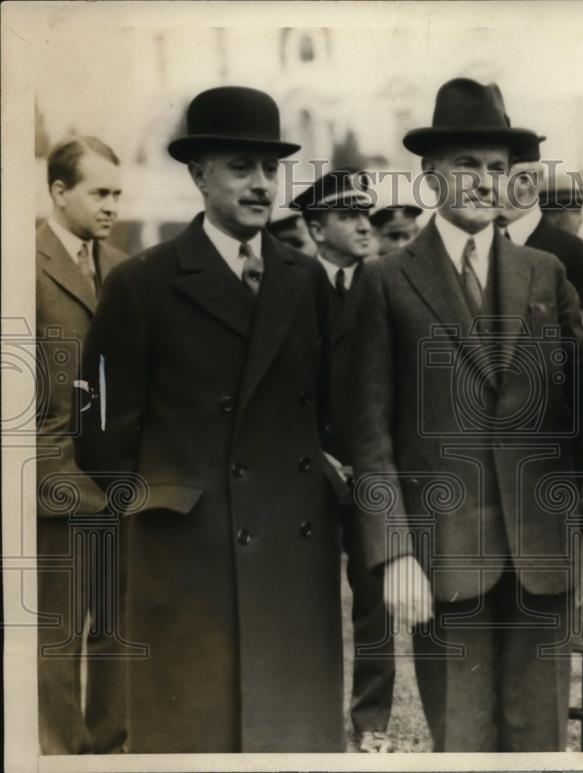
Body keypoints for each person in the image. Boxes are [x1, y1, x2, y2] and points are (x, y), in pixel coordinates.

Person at [351, 77, 583, 752]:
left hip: (541, 555)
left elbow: (580, 412)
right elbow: (368, 429)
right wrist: (393, 552)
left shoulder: (546, 273)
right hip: (444, 559)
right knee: (464, 741)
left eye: (496, 168)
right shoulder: (386, 281)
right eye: (466, 165)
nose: (482, 181)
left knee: (538, 741)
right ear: (431, 174)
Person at [75, 86, 347, 753]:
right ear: (198, 174)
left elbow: (333, 409)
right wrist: (166, 516)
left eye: (269, 169)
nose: (260, 185)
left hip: (293, 559)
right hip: (189, 570)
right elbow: (101, 438)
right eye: (239, 167)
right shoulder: (142, 284)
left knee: (291, 741)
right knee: (196, 741)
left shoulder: (305, 279)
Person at [291, 169, 395, 753]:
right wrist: (316, 452)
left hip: (371, 468)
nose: (364, 225)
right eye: (348, 215)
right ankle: (311, 715)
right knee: (309, 596)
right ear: (314, 227)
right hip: (308, 467)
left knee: (375, 597)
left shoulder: (383, 283)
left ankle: (372, 722)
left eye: (367, 214)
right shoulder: (294, 284)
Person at [36, 135, 128, 754]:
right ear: (60, 191)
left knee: (118, 627)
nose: (111, 206)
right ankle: (60, 756)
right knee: (58, 634)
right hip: (55, 485)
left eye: (118, 194)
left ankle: (112, 746)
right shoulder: (21, 263)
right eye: (99, 192)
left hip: (119, 483)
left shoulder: (121, 267)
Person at [498, 137, 583, 300]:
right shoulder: (476, 244)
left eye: (497, 173)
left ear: (524, 182)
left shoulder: (579, 255)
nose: (483, 185)